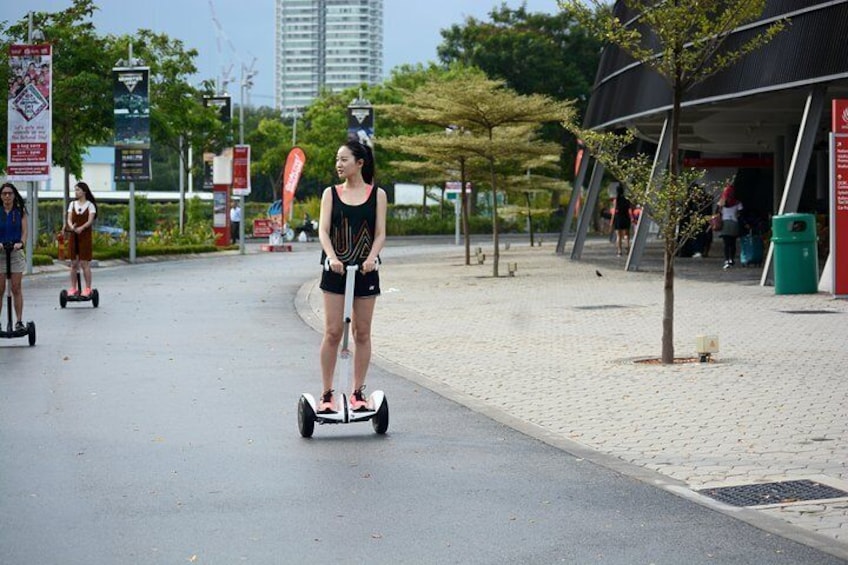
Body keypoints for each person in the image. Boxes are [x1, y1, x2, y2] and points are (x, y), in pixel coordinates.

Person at [317, 140, 387, 413]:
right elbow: (323, 231)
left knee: (362, 333)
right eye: (337, 159)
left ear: (360, 163)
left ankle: (357, 392)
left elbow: (380, 232)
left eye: (344, 159)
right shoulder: (330, 194)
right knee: (333, 332)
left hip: (365, 270)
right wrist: (332, 257)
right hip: (335, 269)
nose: (338, 164)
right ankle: (326, 395)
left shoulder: (377, 194)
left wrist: (372, 258)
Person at [0, 182, 28, 330]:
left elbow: (24, 232)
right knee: (0, 289)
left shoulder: (20, 211)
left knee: (16, 288)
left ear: (14, 195)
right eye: (4, 193)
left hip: (16, 253)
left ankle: (18, 322)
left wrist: (21, 243)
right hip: (1, 253)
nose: (7, 196)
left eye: (10, 193)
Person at [66, 181, 97, 296]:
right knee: (74, 263)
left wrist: (82, 228)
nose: (76, 192)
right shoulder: (72, 204)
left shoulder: (90, 205)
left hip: (85, 236)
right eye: (75, 190)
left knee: (84, 263)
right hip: (74, 235)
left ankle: (88, 288)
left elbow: (90, 220)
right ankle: (73, 288)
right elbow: (69, 218)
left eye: (78, 190)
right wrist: (71, 226)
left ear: (84, 191)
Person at [717, 184, 743, 269]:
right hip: (734, 223)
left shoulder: (721, 202)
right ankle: (731, 259)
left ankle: (726, 259)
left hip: (725, 223)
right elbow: (740, 214)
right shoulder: (737, 203)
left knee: (726, 243)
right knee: (733, 243)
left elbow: (717, 213)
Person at [611, 184, 633, 256]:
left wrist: (611, 221)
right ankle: (627, 247)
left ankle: (619, 251)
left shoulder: (616, 200)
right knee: (627, 234)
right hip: (626, 218)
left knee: (619, 236)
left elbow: (614, 211)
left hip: (618, 218)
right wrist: (632, 218)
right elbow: (630, 210)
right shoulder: (627, 200)